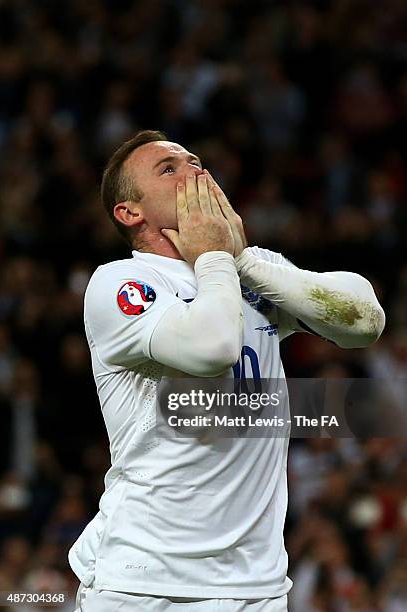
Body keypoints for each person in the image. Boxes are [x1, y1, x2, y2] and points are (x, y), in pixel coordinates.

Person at [69, 130, 385, 611]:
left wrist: (240, 260)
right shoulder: (121, 283)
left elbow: (364, 321)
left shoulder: (249, 270)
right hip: (145, 581)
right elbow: (213, 347)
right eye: (168, 168)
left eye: (194, 161)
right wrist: (218, 256)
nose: (193, 171)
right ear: (131, 213)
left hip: (256, 586)